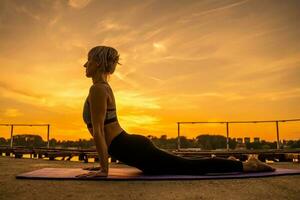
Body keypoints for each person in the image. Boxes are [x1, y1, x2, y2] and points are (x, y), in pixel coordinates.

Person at [77, 46, 275, 178]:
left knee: (189, 168)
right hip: (128, 146)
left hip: (130, 148)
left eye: (88, 61)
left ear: (98, 64)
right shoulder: (101, 88)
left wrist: (104, 170)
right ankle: (229, 162)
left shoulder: (98, 89)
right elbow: (102, 130)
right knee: (184, 163)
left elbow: (99, 131)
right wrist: (102, 166)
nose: (85, 65)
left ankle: (248, 165)